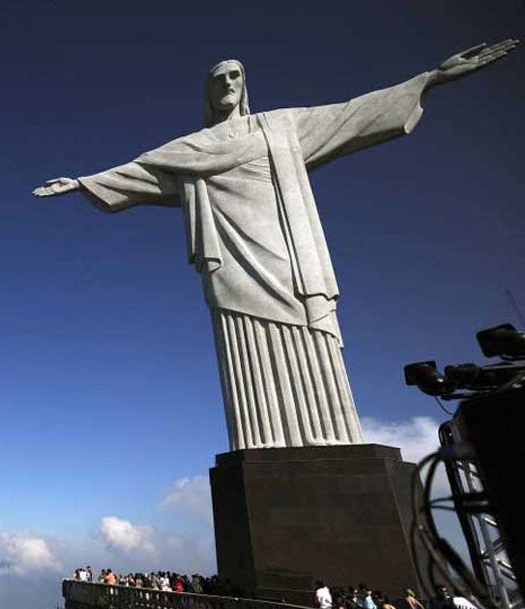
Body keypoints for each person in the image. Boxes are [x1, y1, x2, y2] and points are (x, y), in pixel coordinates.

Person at [34, 41, 517, 449]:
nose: (227, 84)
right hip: (232, 261)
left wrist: (430, 79)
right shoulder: (188, 150)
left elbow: (352, 114)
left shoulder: (282, 127)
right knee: (248, 345)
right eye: (218, 78)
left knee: (311, 331)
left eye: (235, 77)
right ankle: (263, 440)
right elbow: (140, 172)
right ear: (208, 91)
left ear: (245, 86)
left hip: (289, 252)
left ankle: (333, 436)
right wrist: (82, 182)